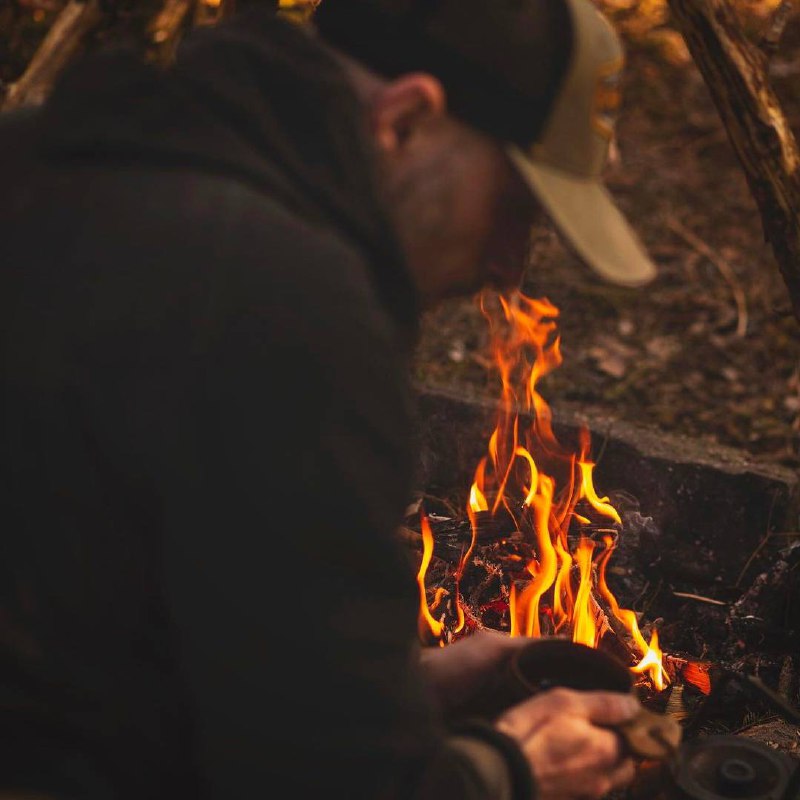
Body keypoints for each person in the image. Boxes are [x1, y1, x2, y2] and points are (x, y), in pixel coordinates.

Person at [0, 0, 657, 798]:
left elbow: (91, 622)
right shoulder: (290, 308)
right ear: (405, 121)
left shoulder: (39, 156)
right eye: (517, 208)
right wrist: (507, 772)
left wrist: (369, 697)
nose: (510, 266)